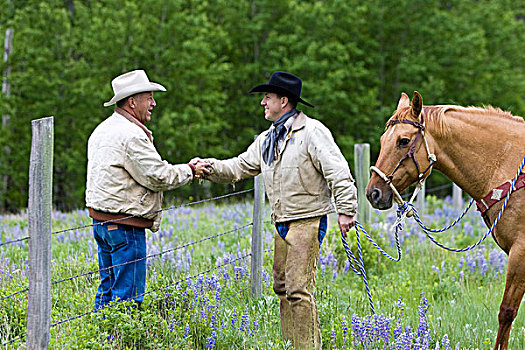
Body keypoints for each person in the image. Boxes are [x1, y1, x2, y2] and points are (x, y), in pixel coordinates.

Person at [195, 71, 357, 349]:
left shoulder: (312, 132)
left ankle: (307, 346)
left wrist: (346, 210)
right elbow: (238, 166)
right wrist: (206, 167)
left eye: (267, 98)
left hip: (307, 219)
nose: (262, 103)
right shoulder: (267, 139)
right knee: (282, 288)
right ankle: (290, 343)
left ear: (284, 101)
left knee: (297, 289)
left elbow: (338, 171)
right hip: (282, 221)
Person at [86, 69, 209, 310]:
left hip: (102, 221)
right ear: (132, 102)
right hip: (126, 224)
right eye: (149, 97)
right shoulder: (130, 135)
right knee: (127, 297)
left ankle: (103, 339)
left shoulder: (102, 129)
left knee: (108, 289)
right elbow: (158, 176)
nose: (153, 103)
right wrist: (190, 170)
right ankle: (122, 343)